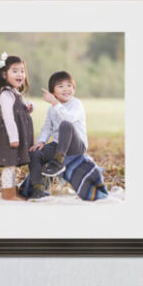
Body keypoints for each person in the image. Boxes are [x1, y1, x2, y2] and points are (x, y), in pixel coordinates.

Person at [20, 70, 109, 201]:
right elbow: (47, 128)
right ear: (52, 91)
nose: (66, 89)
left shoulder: (76, 104)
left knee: (65, 125)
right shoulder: (51, 109)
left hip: (76, 145)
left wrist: (55, 103)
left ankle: (58, 162)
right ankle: (38, 189)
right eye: (61, 86)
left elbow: (70, 118)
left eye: (69, 85)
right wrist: (41, 141)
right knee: (35, 153)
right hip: (58, 144)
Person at [0, 53, 35, 202]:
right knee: (9, 165)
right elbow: (8, 117)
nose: (20, 74)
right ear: (4, 74)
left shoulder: (16, 93)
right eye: (15, 71)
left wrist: (28, 107)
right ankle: (8, 194)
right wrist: (14, 138)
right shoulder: (5, 94)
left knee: (13, 165)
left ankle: (13, 191)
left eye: (22, 71)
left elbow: (20, 109)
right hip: (9, 137)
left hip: (17, 136)